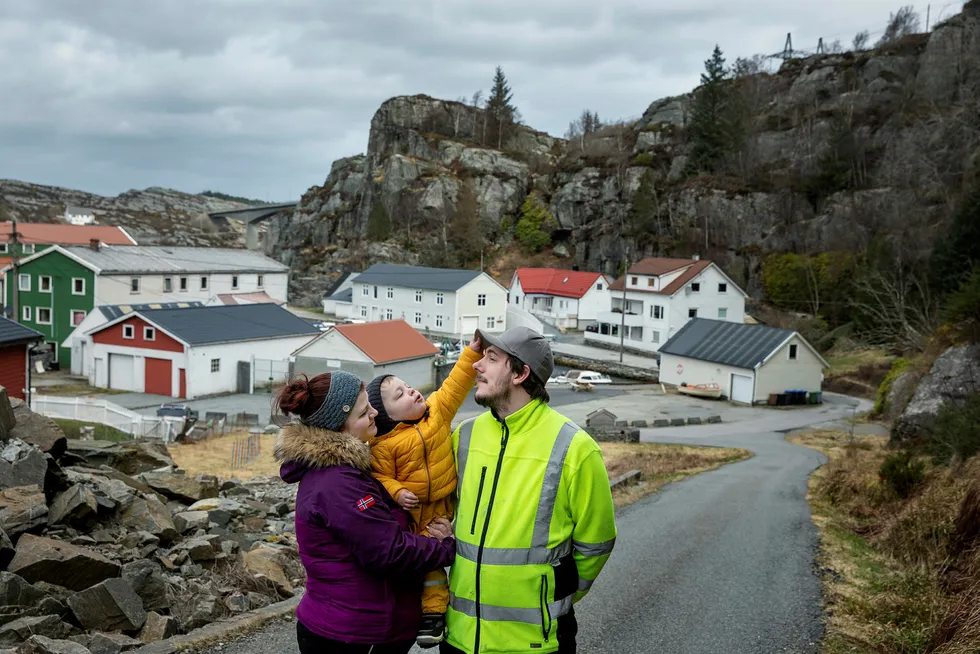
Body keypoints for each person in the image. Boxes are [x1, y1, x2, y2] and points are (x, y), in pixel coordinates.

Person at [442, 327, 617, 654]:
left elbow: (597, 544)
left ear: (521, 373)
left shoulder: (575, 448)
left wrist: (551, 598)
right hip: (459, 639)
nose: (477, 366)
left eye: (491, 359)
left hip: (538, 643)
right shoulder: (464, 436)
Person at [274, 370, 456, 654]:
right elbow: (389, 551)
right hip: (352, 634)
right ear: (340, 428)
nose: (374, 412)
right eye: (363, 412)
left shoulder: (354, 467)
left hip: (365, 628)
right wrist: (445, 547)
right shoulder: (339, 483)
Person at [367, 333, 484, 648]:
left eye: (407, 386)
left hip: (444, 503)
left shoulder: (437, 413)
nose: (411, 392)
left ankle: (437, 613)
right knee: (428, 561)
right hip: (414, 510)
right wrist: (396, 491)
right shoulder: (383, 445)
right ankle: (431, 617)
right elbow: (379, 476)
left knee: (442, 551)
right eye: (400, 395)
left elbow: (455, 384)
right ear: (388, 416)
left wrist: (471, 353)